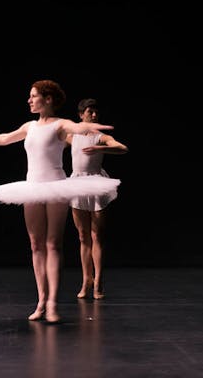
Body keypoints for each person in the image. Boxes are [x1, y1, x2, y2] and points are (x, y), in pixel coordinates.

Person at [0, 80, 120, 323]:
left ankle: (53, 303)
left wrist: (96, 127)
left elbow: (77, 128)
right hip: (32, 187)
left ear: (48, 99)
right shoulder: (29, 126)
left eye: (33, 96)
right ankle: (41, 301)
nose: (29, 100)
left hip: (55, 187)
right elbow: (6, 138)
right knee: (36, 244)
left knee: (53, 244)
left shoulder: (60, 124)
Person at [65, 98, 128, 300]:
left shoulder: (100, 137)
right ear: (81, 114)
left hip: (96, 184)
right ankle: (86, 279)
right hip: (77, 184)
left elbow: (122, 148)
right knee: (83, 237)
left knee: (96, 236)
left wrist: (100, 148)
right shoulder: (72, 136)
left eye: (95, 112)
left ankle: (99, 281)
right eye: (90, 112)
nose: (94, 115)